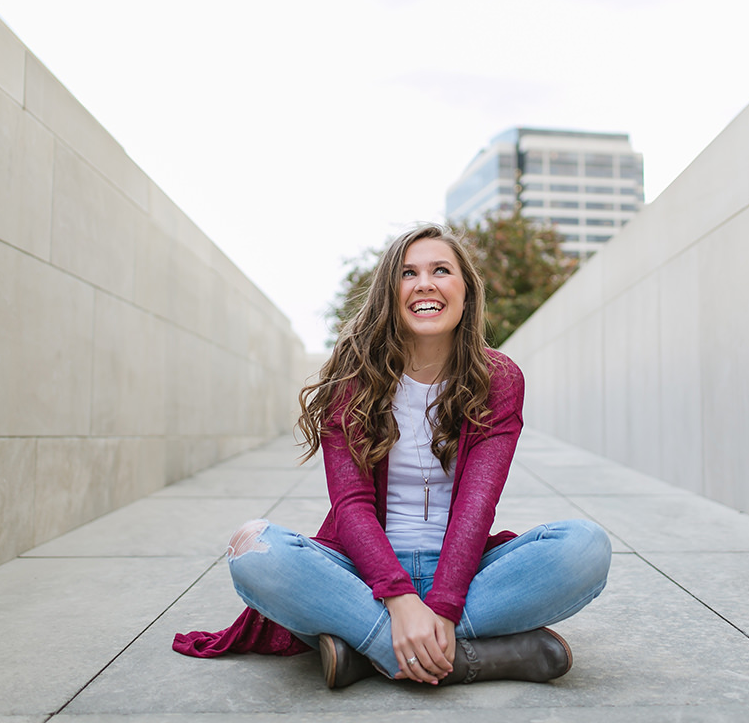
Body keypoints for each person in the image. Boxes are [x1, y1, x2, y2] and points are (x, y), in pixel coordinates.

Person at [173, 224, 611, 688]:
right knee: (253, 551)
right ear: (390, 293)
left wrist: (442, 605)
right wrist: (400, 600)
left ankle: (368, 649)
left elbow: (477, 503)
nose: (425, 283)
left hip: (461, 573)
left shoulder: (498, 379)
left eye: (441, 270)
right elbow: (351, 507)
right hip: (363, 573)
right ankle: (459, 655)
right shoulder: (353, 381)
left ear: (466, 291)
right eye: (408, 273)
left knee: (585, 547)